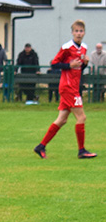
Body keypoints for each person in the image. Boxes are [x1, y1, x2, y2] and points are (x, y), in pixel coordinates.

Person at [34, 20, 97, 159]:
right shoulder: (67, 47)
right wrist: (69, 65)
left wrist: (85, 63)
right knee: (81, 117)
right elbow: (54, 64)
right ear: (72, 32)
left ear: (84, 32)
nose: (79, 33)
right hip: (68, 87)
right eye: (76, 31)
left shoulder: (84, 47)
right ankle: (81, 151)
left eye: (81, 31)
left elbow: (79, 68)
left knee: (62, 120)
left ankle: (41, 146)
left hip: (73, 86)